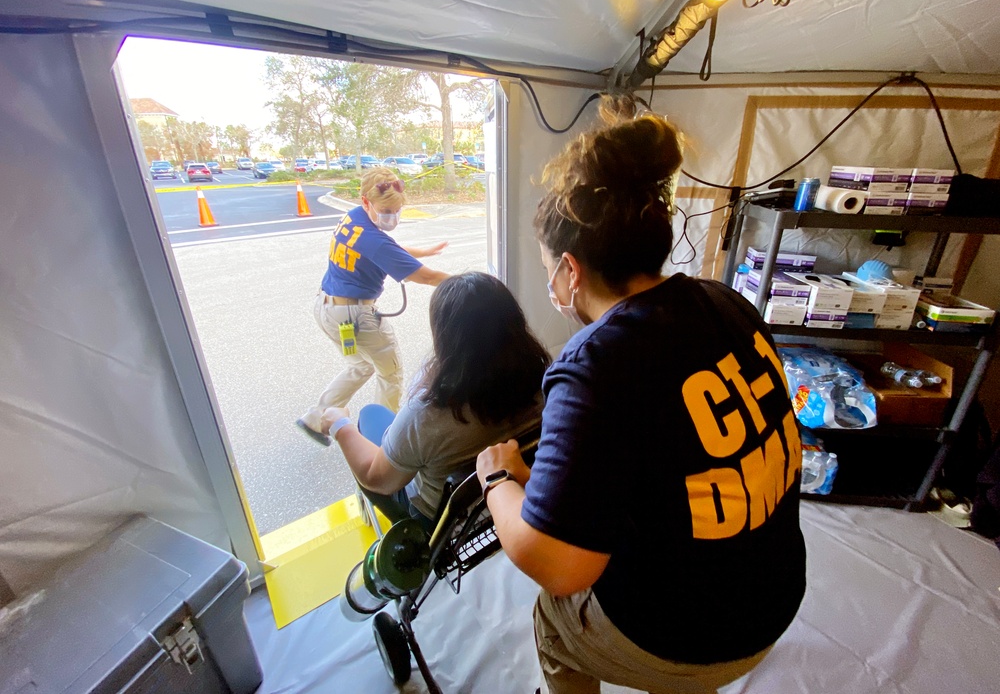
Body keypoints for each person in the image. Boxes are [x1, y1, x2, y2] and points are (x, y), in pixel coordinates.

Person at [476, 97, 807, 694]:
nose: (552, 285)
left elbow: (560, 567)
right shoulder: (726, 302)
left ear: (571, 272)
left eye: (551, 269)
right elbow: (671, 447)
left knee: (554, 621)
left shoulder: (593, 365)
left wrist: (499, 480)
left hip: (689, 640)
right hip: (773, 602)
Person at [309, 272, 550, 530]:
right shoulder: (547, 380)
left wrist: (339, 424)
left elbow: (376, 478)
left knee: (369, 416)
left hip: (443, 523)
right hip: (516, 493)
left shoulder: (427, 415)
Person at [298, 167, 449, 441]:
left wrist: (423, 251)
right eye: (386, 210)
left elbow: (385, 247)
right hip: (356, 316)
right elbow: (426, 276)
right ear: (367, 202)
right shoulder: (374, 240)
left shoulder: (353, 218)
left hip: (328, 308)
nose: (392, 216)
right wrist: (472, 282)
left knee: (361, 365)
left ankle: (316, 418)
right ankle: (381, 438)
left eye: (396, 210)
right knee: (391, 374)